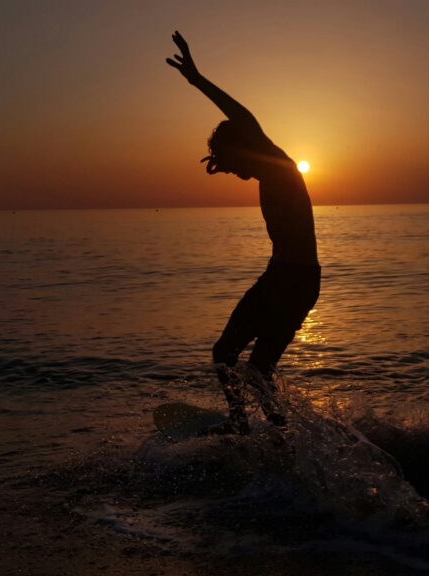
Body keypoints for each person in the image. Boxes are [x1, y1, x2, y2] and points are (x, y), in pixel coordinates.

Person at [167, 31, 320, 435]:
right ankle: (248, 428)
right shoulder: (270, 174)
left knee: (255, 369)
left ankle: (275, 435)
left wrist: (197, 80)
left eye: (230, 162)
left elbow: (242, 116)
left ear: (244, 146)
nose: (232, 171)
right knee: (227, 355)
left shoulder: (277, 164)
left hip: (295, 279)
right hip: (284, 276)